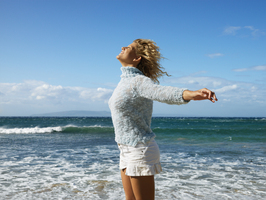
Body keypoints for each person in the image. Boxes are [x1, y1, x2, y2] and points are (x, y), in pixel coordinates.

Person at [108, 39, 218, 200]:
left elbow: (161, 92)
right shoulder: (124, 81)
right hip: (125, 149)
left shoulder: (138, 81)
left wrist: (192, 94)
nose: (123, 47)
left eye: (129, 47)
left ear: (137, 58)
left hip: (139, 148)